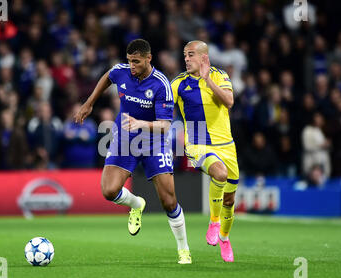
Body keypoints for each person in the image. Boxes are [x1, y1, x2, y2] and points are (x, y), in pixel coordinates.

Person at [74, 39, 191, 264]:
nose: (131, 66)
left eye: (136, 61)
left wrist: (140, 124)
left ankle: (183, 249)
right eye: (129, 61)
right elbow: (108, 76)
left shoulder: (161, 85)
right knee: (108, 190)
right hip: (125, 140)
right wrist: (89, 103)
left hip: (154, 143)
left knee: (169, 201)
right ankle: (136, 204)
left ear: (149, 58)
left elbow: (165, 126)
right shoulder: (121, 71)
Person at [171, 40, 238, 262]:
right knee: (219, 174)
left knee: (229, 200)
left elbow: (229, 101)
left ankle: (225, 239)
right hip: (197, 143)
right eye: (184, 55)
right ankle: (213, 221)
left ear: (203, 57)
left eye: (190, 55)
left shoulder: (219, 75)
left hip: (226, 144)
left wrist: (208, 79)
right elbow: (161, 107)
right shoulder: (179, 83)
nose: (186, 59)